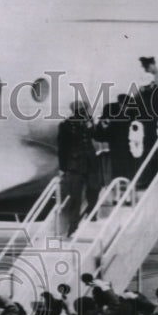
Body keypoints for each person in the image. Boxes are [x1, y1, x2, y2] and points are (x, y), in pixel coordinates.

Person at [57, 101, 96, 235]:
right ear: (75, 111)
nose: (84, 112)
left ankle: (92, 213)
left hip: (90, 162)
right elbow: (62, 148)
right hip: (75, 164)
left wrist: (91, 126)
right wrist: (63, 168)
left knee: (94, 188)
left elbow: (95, 135)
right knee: (75, 196)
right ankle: (73, 226)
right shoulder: (66, 125)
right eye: (82, 110)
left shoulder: (88, 122)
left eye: (85, 110)